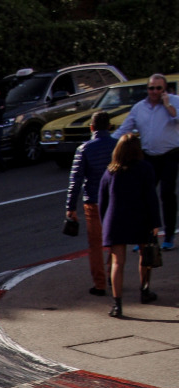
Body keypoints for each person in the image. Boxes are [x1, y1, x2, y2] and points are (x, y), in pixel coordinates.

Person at [114, 73, 179, 250]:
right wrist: (106, 143)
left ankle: (169, 236)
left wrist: (167, 105)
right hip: (148, 155)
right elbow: (124, 129)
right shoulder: (139, 107)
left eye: (159, 88)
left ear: (165, 89)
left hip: (170, 154)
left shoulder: (174, 101)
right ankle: (144, 236)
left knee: (167, 194)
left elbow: (177, 118)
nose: (155, 91)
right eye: (151, 88)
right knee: (144, 196)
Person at [99, 134, 161, 318]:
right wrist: (155, 222)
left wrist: (105, 223)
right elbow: (151, 197)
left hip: (116, 219)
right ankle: (145, 291)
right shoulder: (145, 168)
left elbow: (103, 200)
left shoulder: (110, 171)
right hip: (140, 217)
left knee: (118, 261)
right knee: (145, 254)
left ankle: (117, 304)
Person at [65, 111, 117, 296]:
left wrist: (70, 207)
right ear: (109, 127)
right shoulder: (118, 145)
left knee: (95, 245)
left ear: (91, 128)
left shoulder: (84, 149)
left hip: (93, 201)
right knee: (115, 242)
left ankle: (100, 284)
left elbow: (76, 180)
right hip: (115, 200)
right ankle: (114, 277)